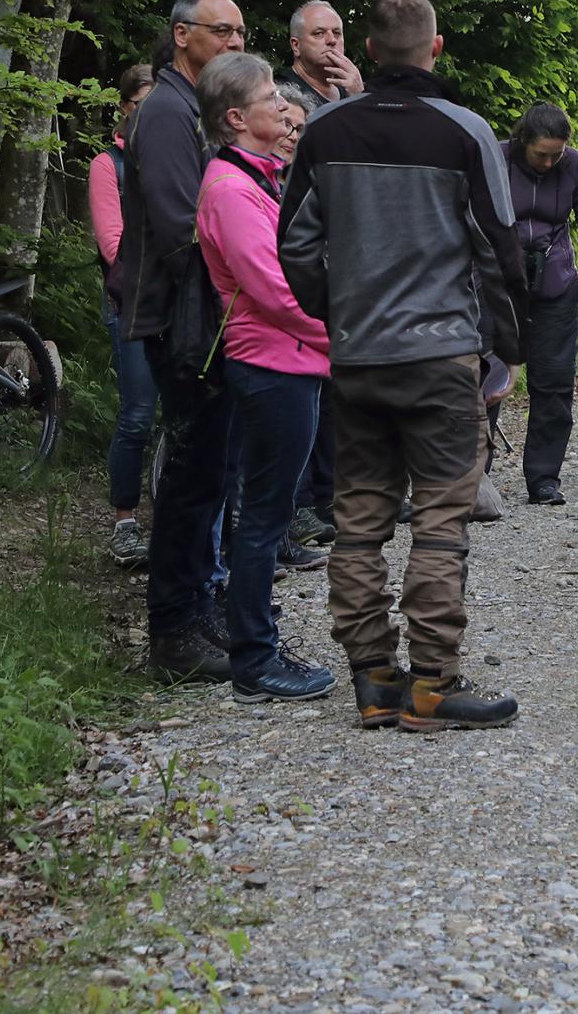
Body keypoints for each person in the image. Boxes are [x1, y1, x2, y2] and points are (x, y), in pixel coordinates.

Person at [279, 0, 529, 732]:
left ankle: (372, 679)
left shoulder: (325, 130)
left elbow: (294, 243)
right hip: (442, 358)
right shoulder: (464, 132)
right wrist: (507, 346)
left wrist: (339, 309)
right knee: (441, 521)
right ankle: (434, 685)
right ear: (435, 49)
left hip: (357, 360)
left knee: (357, 521)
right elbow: (500, 249)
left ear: (368, 51)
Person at [193, 52, 337, 702]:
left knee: (267, 513)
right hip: (271, 361)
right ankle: (255, 659)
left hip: (293, 357)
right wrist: (342, 338)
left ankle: (261, 641)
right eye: (268, 98)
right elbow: (274, 289)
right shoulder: (228, 187)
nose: (283, 106)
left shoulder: (263, 174)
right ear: (235, 117)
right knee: (264, 518)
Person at [117, 0, 247, 682]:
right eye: (220, 31)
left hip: (208, 315)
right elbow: (179, 229)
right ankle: (172, 630)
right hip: (183, 319)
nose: (233, 41)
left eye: (240, 32)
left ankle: (201, 609)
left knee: (213, 472)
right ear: (181, 36)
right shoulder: (167, 112)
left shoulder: (196, 110)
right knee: (192, 475)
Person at [502, 102, 578, 505]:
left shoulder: (574, 166)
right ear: (523, 141)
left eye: (555, 154)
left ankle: (544, 477)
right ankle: (476, 475)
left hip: (557, 286)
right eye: (540, 154)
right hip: (500, 286)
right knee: (488, 378)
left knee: (554, 383)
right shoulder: (496, 156)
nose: (548, 162)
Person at [89, 63, 159, 569]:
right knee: (137, 414)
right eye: (142, 104)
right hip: (133, 305)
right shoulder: (106, 165)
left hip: (179, 304)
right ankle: (124, 522)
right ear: (125, 108)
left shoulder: (175, 156)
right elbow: (113, 245)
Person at [273, 82, 339, 553]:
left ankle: (305, 512)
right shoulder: (252, 182)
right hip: (278, 324)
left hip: (311, 323)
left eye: (300, 128)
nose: (291, 135)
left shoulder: (308, 181)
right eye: (285, 124)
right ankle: (287, 522)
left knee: (315, 425)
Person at [281, 0, 364, 104]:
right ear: (296, 46)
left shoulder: (352, 89)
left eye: (337, 33)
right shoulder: (280, 95)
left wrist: (359, 97)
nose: (332, 40)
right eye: (319, 33)